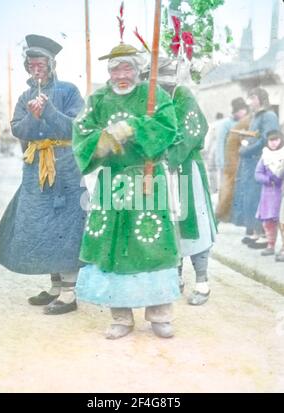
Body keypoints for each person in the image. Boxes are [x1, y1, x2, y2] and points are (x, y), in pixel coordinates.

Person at [73, 43, 181, 339]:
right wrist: (103, 139)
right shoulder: (98, 100)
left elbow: (169, 128)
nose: (121, 74)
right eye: (114, 69)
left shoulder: (154, 94)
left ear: (138, 70)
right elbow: (81, 132)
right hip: (113, 179)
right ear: (108, 73)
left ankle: (159, 313)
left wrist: (134, 127)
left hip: (148, 178)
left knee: (152, 243)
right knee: (112, 244)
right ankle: (120, 316)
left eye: (127, 68)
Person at [0, 34, 86, 315]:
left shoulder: (69, 91)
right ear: (26, 67)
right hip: (36, 171)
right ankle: (56, 287)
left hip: (66, 168)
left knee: (66, 226)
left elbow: (75, 128)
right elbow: (18, 130)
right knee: (42, 227)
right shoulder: (24, 97)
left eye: (41, 63)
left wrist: (49, 111)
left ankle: (69, 294)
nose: (37, 69)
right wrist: (33, 117)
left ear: (51, 64)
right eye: (31, 64)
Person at [146, 57, 217, 305]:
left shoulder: (182, 95)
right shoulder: (151, 103)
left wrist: (169, 157)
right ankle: (175, 277)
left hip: (186, 167)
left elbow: (192, 131)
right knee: (170, 223)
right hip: (163, 171)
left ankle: (202, 282)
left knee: (193, 222)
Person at [231, 88, 279, 248]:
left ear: (260, 99)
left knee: (261, 199)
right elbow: (256, 137)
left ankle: (265, 236)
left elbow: (267, 138)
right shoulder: (256, 116)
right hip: (250, 164)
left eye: (252, 98)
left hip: (261, 162)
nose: (249, 102)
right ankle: (257, 233)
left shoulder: (269, 115)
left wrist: (246, 150)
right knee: (252, 199)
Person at [255, 130, 284, 256]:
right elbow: (257, 173)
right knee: (268, 221)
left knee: (282, 222)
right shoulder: (265, 156)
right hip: (268, 194)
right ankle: (270, 244)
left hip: (281, 193)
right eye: (271, 140)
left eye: (276, 140)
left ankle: (283, 247)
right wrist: (268, 180)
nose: (273, 143)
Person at [214, 98, 249, 192]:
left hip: (241, 161)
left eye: (244, 110)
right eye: (241, 111)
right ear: (235, 111)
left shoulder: (245, 122)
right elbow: (220, 143)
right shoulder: (226, 124)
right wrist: (221, 162)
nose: (243, 113)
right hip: (228, 161)